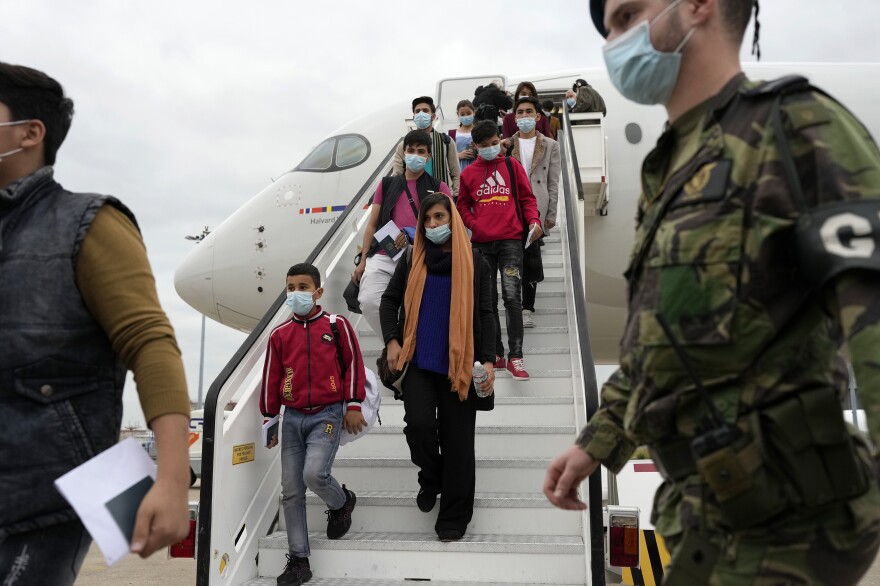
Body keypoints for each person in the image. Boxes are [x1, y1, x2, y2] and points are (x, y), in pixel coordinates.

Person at [544, 1, 880, 584]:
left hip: (793, 532)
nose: (612, 42)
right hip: (706, 523)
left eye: (626, 17)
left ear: (696, 6)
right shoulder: (671, 170)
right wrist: (598, 443)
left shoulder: (796, 127)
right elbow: (660, 343)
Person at [0, 62, 191, 585]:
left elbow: (150, 342)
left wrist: (172, 477)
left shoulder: (89, 223)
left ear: (28, 133)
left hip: (45, 502)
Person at [379, 193, 496, 542]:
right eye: (427, 220)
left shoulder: (476, 262)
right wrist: (392, 341)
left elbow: (487, 314)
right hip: (419, 361)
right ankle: (432, 477)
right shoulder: (412, 260)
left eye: (439, 218)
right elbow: (388, 301)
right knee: (418, 427)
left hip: (459, 366)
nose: (432, 225)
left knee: (459, 442)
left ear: (453, 220)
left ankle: (454, 516)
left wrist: (489, 361)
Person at [261, 263, 367, 586]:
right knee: (291, 491)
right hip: (292, 418)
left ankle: (341, 501)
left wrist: (352, 404)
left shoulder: (337, 326)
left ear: (318, 292)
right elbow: (272, 378)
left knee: (313, 474)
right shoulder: (279, 335)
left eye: (303, 287)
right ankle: (299, 560)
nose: (296, 294)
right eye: (291, 288)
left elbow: (353, 365)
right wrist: (270, 419)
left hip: (327, 414)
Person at [457, 120, 542, 381]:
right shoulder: (468, 174)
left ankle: (516, 357)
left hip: (510, 242)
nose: (492, 149)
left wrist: (534, 221)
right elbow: (462, 205)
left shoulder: (511, 165)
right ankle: (496, 354)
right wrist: (474, 225)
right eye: (485, 146)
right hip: (481, 245)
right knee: (487, 301)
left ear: (500, 139)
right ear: (475, 146)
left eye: (495, 143)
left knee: (512, 298)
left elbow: (528, 198)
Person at [353, 130, 452, 336]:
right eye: (411, 150)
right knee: (369, 301)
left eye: (421, 151)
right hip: (383, 253)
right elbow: (372, 225)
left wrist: (412, 234)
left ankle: (407, 349)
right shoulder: (387, 184)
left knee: (419, 306)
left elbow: (449, 225)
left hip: (421, 254)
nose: (415, 155)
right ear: (404, 153)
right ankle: (393, 345)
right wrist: (363, 260)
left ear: (429, 157)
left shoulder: (439, 187)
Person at [507, 96, 561, 329]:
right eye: (520, 112)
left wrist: (551, 214)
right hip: (511, 209)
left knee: (531, 260)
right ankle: (513, 304)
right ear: (514, 117)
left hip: (536, 209)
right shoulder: (507, 144)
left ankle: (527, 308)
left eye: (529, 112)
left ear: (538, 116)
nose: (524, 116)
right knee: (512, 259)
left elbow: (553, 181)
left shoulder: (550, 145)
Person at [392, 96, 460, 199]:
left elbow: (456, 173)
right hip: (412, 197)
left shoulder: (446, 141)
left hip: (442, 198)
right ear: (414, 117)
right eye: (417, 111)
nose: (421, 114)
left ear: (433, 117)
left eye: (425, 110)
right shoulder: (404, 145)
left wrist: (455, 196)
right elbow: (397, 174)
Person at [448, 99, 477, 172]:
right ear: (458, 114)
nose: (466, 116)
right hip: (458, 170)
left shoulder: (479, 131)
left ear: (474, 112)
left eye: (468, 113)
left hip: (477, 169)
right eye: (462, 114)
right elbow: (447, 155)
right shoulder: (452, 134)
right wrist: (458, 155)